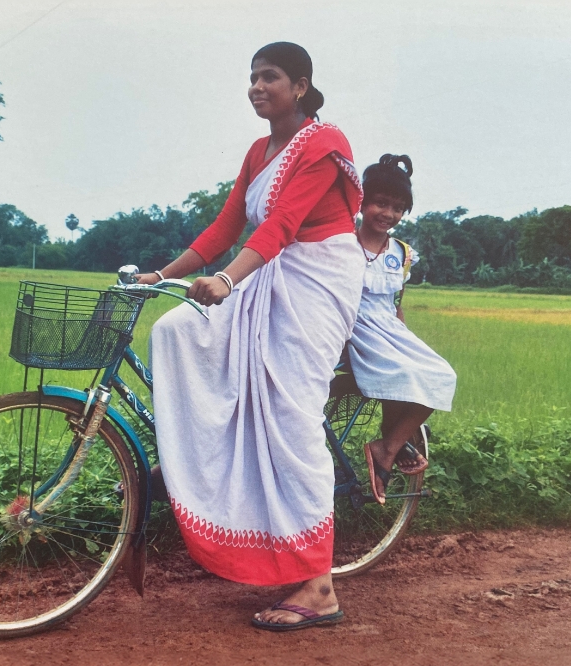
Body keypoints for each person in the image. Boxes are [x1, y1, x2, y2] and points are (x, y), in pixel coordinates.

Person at [135, 41, 363, 632]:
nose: (258, 87)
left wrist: (227, 282)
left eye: (271, 77)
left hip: (315, 277)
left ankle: (319, 588)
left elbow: (285, 225)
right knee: (177, 330)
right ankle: (191, 458)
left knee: (290, 416)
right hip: (267, 270)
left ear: (302, 86)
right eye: (253, 78)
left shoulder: (324, 142)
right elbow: (228, 225)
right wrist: (163, 275)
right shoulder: (259, 149)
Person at [348, 155, 457, 502]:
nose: (388, 214)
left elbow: (397, 305)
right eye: (380, 203)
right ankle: (390, 444)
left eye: (398, 208)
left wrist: (406, 340)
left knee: (443, 376)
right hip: (352, 326)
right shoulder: (342, 240)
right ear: (362, 201)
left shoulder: (402, 253)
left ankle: (388, 447)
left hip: (388, 329)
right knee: (405, 375)